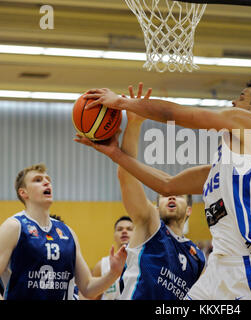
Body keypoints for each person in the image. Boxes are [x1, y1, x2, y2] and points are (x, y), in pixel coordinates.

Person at [77, 78, 251, 300]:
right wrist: (115, 154)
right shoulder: (228, 167)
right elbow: (167, 185)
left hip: (249, 268)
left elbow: (176, 114)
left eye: (241, 97)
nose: (233, 102)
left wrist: (121, 102)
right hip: (219, 268)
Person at [76, 84, 205, 300]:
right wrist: (134, 125)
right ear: (156, 205)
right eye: (165, 196)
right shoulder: (150, 223)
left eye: (180, 196)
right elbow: (126, 175)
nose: (171, 196)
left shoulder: (198, 257)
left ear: (190, 210)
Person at [0, 163, 127, 300]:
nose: (46, 182)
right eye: (38, 180)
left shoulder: (68, 233)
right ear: (23, 192)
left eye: (48, 180)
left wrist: (113, 273)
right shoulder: (14, 227)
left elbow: (88, 288)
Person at [91, 216, 134, 300]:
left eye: (129, 229)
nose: (124, 231)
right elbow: (93, 297)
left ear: (137, 234)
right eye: (120, 229)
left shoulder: (144, 263)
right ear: (114, 235)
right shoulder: (101, 265)